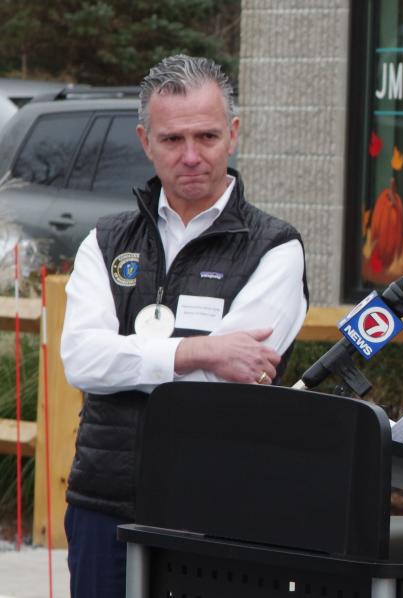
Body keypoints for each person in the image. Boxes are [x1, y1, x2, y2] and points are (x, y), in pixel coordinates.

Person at [59, 55, 308, 598]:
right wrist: (198, 353)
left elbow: (229, 385)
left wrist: (132, 359)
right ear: (145, 141)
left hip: (218, 508)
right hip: (104, 507)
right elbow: (80, 358)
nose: (192, 156)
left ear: (234, 135)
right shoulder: (105, 242)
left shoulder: (276, 249)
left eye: (207, 136)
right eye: (173, 140)